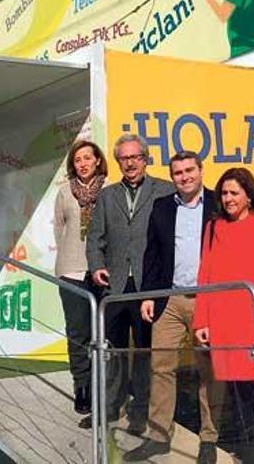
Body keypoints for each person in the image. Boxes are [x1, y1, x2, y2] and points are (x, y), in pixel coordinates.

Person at [123, 151, 221, 463]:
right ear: (172, 176)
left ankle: (209, 438)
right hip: (170, 299)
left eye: (190, 170)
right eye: (178, 172)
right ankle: (158, 436)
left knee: (210, 370)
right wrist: (150, 295)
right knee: (160, 367)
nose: (185, 177)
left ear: (201, 170)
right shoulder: (162, 207)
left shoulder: (219, 204)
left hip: (208, 300)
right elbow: (151, 255)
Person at [194, 167, 254, 462]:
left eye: (234, 192)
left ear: (249, 194)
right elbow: (205, 275)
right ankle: (250, 453)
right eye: (224, 193)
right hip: (225, 323)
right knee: (238, 394)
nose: (228, 198)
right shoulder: (213, 227)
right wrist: (201, 321)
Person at [86, 134, 175, 434]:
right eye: (124, 158)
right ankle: (110, 408)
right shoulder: (107, 195)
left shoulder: (165, 190)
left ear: (146, 159)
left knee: (146, 352)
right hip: (115, 286)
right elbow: (94, 238)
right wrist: (97, 266)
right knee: (113, 351)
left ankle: (141, 411)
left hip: (148, 286)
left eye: (135, 157)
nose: (130, 163)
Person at [53, 139, 107, 423]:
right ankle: (82, 388)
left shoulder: (110, 190)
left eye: (88, 158)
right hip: (72, 271)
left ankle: (106, 390)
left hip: (103, 272)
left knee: (104, 336)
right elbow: (59, 230)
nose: (83, 163)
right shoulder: (64, 193)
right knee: (78, 335)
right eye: (78, 160)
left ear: (98, 160)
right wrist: (68, 261)